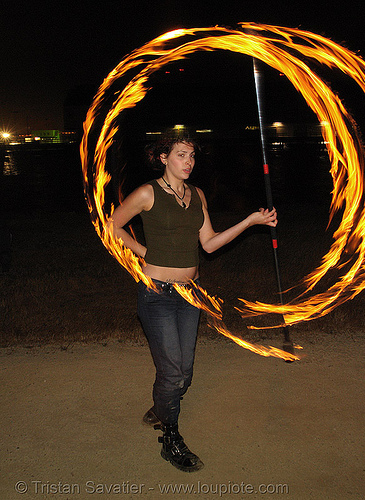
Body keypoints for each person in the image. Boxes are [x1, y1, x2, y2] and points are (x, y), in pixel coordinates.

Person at [109, 136, 277, 472]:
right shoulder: (147, 193)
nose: (189, 162)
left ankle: (160, 407)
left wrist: (249, 222)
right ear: (162, 157)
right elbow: (113, 224)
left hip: (191, 294)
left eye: (192, 157)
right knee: (173, 373)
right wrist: (143, 252)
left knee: (182, 373)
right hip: (157, 293)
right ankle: (170, 439)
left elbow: (211, 244)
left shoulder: (197, 195)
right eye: (181, 155)